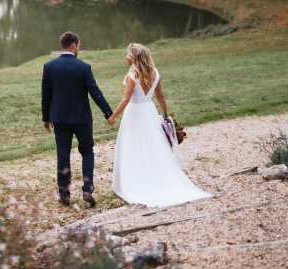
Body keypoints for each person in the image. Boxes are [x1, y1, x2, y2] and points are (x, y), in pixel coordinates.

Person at [109, 43, 211, 207]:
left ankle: (135, 179)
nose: (125, 57)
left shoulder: (132, 76)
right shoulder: (155, 73)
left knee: (133, 145)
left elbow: (126, 99)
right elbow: (161, 96)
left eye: (127, 54)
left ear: (134, 57)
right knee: (153, 145)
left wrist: (113, 116)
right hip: (149, 112)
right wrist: (165, 114)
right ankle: (154, 174)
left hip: (134, 113)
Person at [41, 31, 113, 207]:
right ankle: (87, 189)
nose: (78, 48)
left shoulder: (49, 66)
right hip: (82, 119)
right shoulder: (83, 67)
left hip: (60, 119)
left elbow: (46, 95)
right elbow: (95, 92)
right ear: (73, 45)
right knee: (87, 152)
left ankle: (64, 194)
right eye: (79, 45)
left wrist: (46, 118)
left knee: (63, 154)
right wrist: (108, 113)